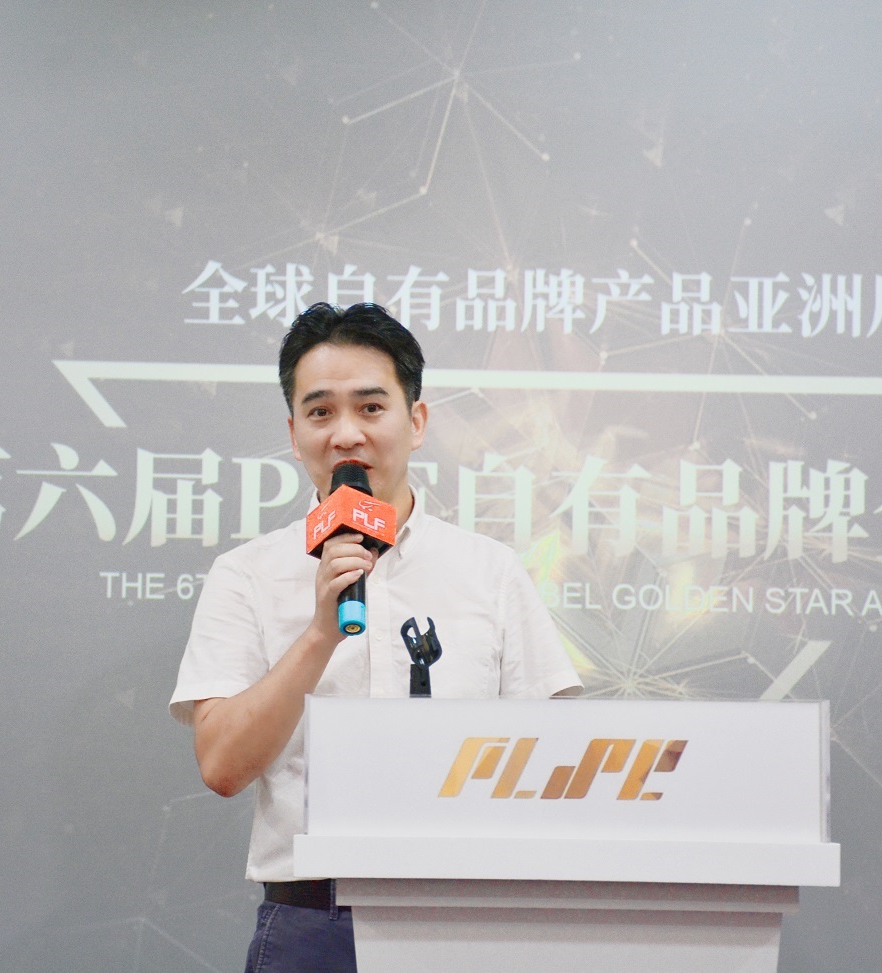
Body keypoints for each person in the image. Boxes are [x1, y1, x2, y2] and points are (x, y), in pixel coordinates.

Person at [170, 302, 581, 973]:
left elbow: (554, 758)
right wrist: (319, 633)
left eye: (370, 407)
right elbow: (221, 766)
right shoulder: (246, 574)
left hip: (467, 915)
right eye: (321, 412)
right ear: (294, 432)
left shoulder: (490, 571)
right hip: (313, 922)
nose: (346, 434)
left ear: (415, 421)